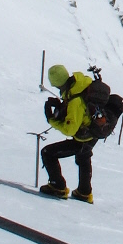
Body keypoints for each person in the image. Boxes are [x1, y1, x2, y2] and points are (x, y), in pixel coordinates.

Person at [41, 64, 98, 201]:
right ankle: (84, 192)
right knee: (83, 156)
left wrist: (52, 120)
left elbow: (69, 129)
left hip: (84, 136)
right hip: (92, 132)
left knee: (48, 153)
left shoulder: (75, 100)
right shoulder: (78, 86)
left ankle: (58, 187)